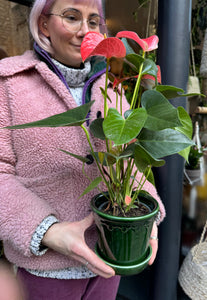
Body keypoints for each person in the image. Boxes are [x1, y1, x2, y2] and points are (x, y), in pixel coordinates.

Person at [0, 0, 166, 299]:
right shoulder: (8, 83)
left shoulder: (111, 90)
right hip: (46, 268)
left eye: (93, 21)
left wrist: (147, 214)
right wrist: (48, 231)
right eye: (72, 17)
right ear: (43, 25)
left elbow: (129, 163)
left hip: (109, 262)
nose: (84, 31)